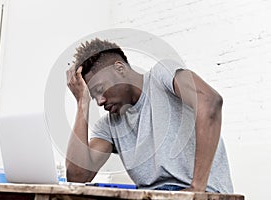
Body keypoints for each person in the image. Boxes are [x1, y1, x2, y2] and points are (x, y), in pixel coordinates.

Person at [65, 38, 233, 193]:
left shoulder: (162, 76)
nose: (100, 102)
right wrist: (82, 103)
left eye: (100, 89)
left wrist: (197, 188)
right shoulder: (108, 125)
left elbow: (210, 101)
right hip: (150, 195)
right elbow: (77, 177)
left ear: (120, 68)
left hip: (201, 192)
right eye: (93, 96)